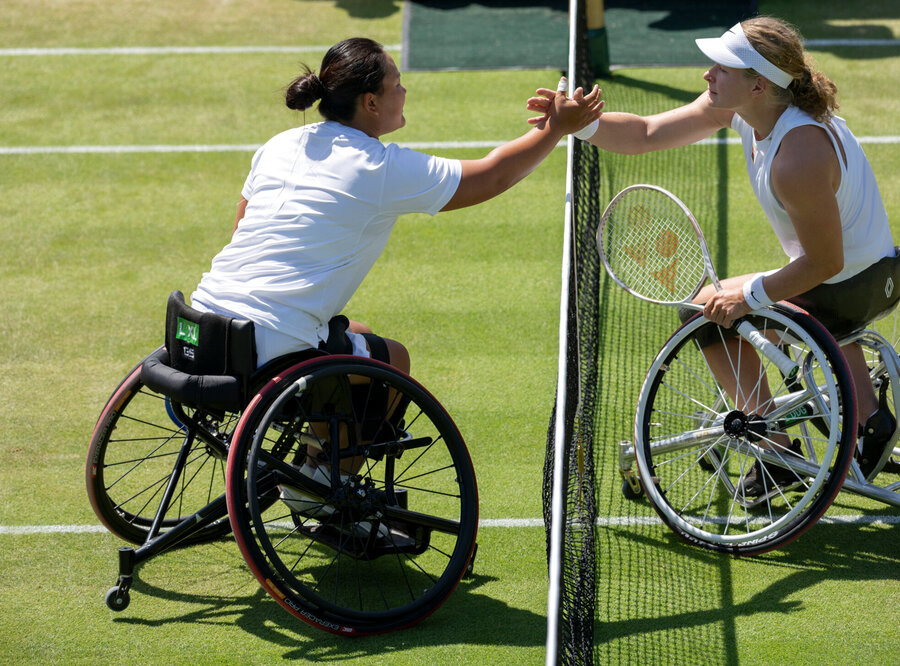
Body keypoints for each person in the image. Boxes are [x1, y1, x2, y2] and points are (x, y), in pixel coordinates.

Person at [188, 37, 602, 507]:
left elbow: (241, 224)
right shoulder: (379, 167)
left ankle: (315, 461)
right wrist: (555, 130)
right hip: (269, 347)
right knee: (392, 359)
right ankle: (322, 487)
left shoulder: (280, 144)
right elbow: (492, 176)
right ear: (370, 102)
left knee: (357, 334)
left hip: (203, 323)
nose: (404, 92)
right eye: (397, 84)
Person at [529, 17, 900, 491]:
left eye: (722, 68)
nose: (708, 74)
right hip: (882, 272)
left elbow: (824, 263)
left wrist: (746, 298)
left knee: (702, 313)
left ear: (758, 85)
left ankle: (775, 452)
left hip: (845, 288)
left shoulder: (797, 157)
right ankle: (868, 417)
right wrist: (581, 125)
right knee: (740, 299)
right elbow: (646, 132)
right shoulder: (760, 111)